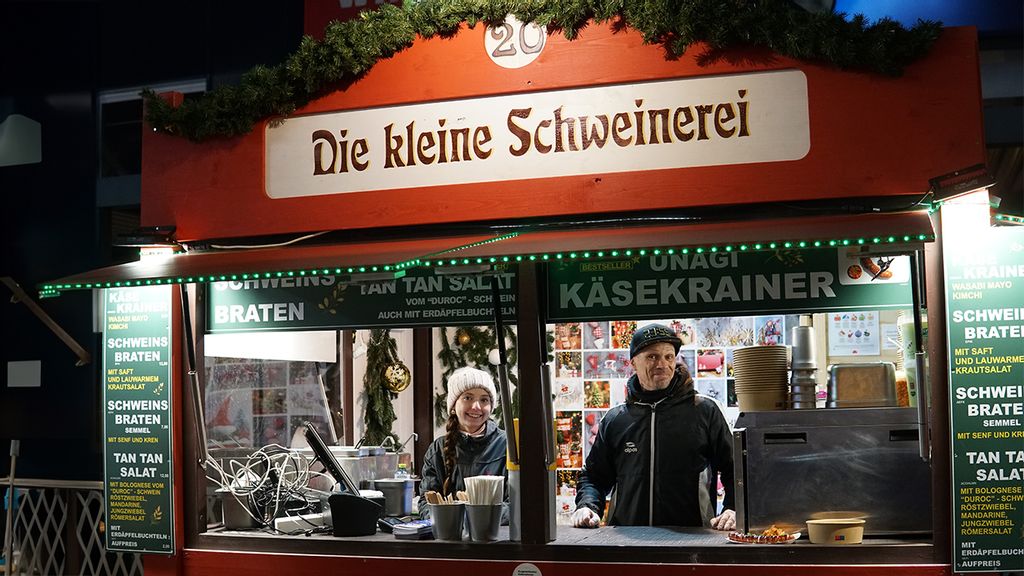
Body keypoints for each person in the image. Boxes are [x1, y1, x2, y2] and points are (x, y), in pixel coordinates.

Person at [572, 323, 736, 530]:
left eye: (669, 357)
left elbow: (734, 468)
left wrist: (733, 508)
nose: (663, 364)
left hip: (692, 538)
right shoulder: (616, 419)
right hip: (626, 540)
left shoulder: (704, 411)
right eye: (652, 357)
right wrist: (587, 506)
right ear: (633, 362)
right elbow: (594, 477)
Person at [419, 366, 508, 520]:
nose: (476, 406)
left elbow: (517, 505)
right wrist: (449, 520)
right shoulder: (437, 450)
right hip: (450, 540)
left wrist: (472, 517)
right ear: (453, 405)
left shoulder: (508, 446)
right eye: (468, 397)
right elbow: (426, 503)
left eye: (484, 399)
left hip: (496, 539)